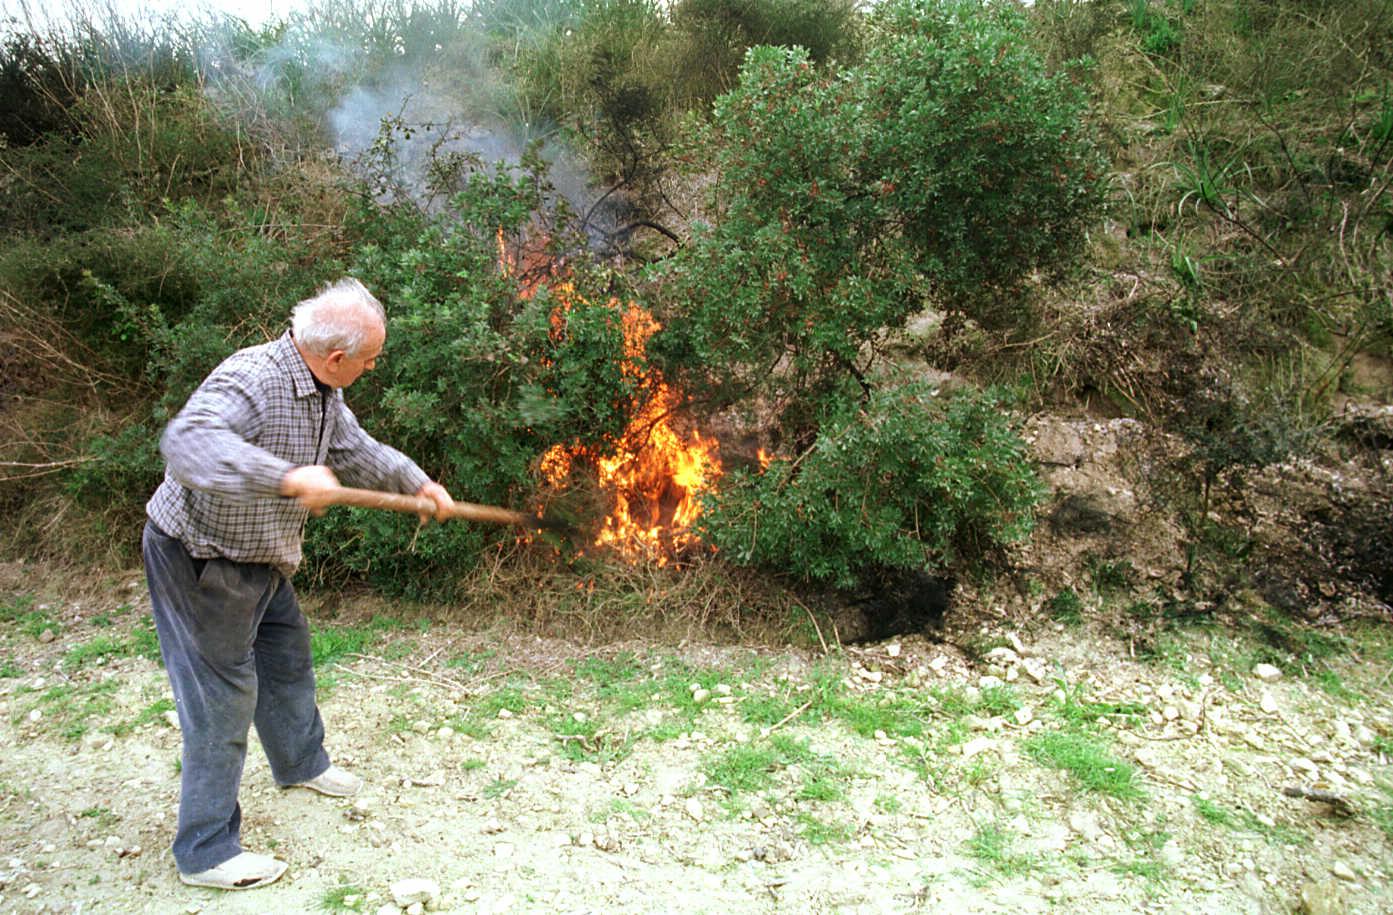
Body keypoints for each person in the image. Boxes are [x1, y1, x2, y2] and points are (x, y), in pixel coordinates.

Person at [142, 277, 454, 890]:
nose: (372, 368)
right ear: (338, 357)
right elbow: (188, 442)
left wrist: (414, 482)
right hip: (204, 559)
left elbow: (354, 448)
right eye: (370, 360)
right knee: (221, 698)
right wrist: (286, 478)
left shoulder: (320, 390)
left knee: (287, 661)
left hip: (263, 557)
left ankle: (300, 764)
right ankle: (205, 852)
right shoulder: (252, 379)